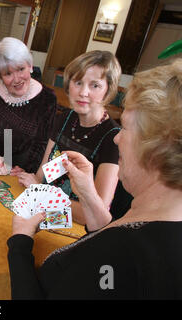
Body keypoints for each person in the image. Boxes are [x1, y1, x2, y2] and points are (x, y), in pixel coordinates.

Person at [7, 59, 182, 299]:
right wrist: (88, 193)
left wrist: (20, 243)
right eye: (77, 82)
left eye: (127, 128)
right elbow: (104, 235)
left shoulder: (124, 252)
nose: (118, 138)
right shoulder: (151, 222)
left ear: (157, 147)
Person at [8, 51, 121, 228]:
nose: (83, 92)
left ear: (108, 90)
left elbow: (92, 215)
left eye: (95, 86)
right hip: (44, 216)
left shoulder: (113, 138)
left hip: (78, 231)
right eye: (78, 83)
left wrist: (40, 193)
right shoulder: (64, 118)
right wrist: (31, 181)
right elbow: (41, 176)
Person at [0, 37, 56, 174]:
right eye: (8, 73)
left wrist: (24, 170)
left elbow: (43, 144)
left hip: (24, 174)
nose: (17, 79)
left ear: (30, 65)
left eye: (21, 69)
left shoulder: (47, 98)